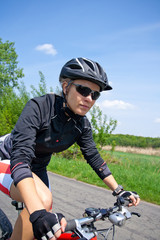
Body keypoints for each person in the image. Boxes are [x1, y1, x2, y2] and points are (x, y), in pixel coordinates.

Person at [0, 57, 140, 240]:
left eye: (95, 95)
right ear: (65, 87)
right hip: (9, 158)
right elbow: (21, 157)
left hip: (38, 168)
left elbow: (94, 157)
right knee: (41, 202)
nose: (89, 99)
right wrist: (38, 212)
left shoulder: (82, 125)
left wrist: (119, 191)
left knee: (46, 225)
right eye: (83, 90)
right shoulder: (40, 107)